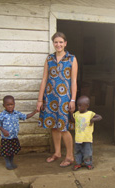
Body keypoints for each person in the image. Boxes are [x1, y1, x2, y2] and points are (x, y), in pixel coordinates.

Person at [37, 32, 78, 167]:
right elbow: (44, 79)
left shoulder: (71, 59)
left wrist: (72, 100)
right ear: (53, 43)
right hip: (50, 97)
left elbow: (73, 81)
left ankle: (70, 156)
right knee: (54, 127)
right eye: (56, 42)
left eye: (61, 42)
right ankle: (57, 153)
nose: (58, 44)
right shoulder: (49, 59)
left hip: (64, 98)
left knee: (63, 127)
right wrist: (40, 100)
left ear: (65, 43)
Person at [0, 95, 37, 170]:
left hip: (14, 136)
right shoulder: (3, 115)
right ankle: (7, 162)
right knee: (6, 151)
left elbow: (26, 116)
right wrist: (3, 130)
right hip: (6, 138)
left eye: (12, 104)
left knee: (13, 150)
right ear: (4, 105)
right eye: (8, 105)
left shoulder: (16, 113)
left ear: (14, 104)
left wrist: (35, 111)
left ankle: (11, 162)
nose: (10, 106)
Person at [71, 95, 102, 171]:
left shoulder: (90, 114)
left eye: (80, 106)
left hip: (87, 138)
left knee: (87, 152)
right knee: (77, 151)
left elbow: (100, 117)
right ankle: (78, 163)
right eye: (78, 105)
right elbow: (73, 120)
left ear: (87, 106)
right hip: (78, 138)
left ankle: (88, 163)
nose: (78, 107)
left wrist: (93, 120)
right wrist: (71, 113)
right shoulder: (77, 113)